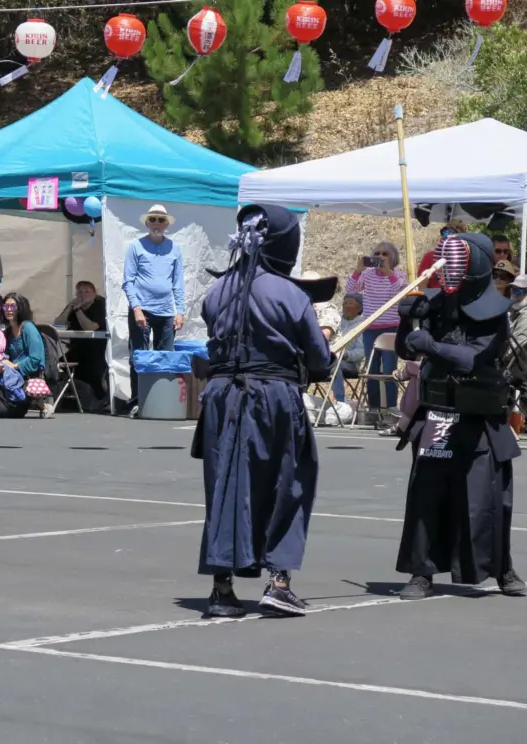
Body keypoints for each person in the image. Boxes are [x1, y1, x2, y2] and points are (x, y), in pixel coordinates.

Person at [192, 204, 337, 618]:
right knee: (286, 481)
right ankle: (279, 581)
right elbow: (318, 357)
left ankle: (222, 587)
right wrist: (319, 359)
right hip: (272, 396)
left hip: (222, 397)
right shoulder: (290, 294)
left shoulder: (216, 292)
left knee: (226, 486)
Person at [393, 233, 526, 600]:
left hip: (479, 416)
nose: (450, 270)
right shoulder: (433, 304)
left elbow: (471, 357)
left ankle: (502, 568)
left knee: (489, 499)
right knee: (426, 495)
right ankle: (422, 572)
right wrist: (408, 321)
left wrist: (432, 346)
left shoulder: (495, 314)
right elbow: (407, 345)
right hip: (438, 412)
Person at [123, 204, 185, 413]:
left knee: (165, 356)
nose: (156, 223)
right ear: (147, 222)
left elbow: (178, 283)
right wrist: (136, 308)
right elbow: (128, 281)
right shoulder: (135, 247)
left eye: (160, 220)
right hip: (143, 309)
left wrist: (180, 311)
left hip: (167, 310)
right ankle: (137, 401)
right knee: (139, 356)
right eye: (153, 219)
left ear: (167, 224)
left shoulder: (174, 248)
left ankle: (160, 402)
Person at [345, 241, 407, 416]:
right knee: (371, 369)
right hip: (370, 327)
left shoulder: (399, 275)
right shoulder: (368, 275)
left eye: (385, 254)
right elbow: (350, 290)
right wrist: (358, 271)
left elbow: (400, 293)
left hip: (391, 329)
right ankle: (373, 408)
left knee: (389, 370)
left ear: (393, 257)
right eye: (377, 253)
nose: (380, 257)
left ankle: (390, 409)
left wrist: (388, 273)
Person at [0, 292, 49, 419]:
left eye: (13, 307)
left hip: (24, 375)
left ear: (20, 308)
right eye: (6, 307)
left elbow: (36, 359)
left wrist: (15, 366)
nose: (8, 310)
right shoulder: (8, 332)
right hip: (10, 374)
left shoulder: (28, 328)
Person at [55, 280, 108, 405]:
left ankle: (99, 399)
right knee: (55, 364)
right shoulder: (75, 306)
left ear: (94, 294)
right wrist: (69, 308)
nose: (82, 295)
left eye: (86, 292)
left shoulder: (100, 305)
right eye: (79, 291)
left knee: (93, 368)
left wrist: (78, 311)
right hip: (77, 349)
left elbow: (91, 327)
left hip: (96, 350)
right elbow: (58, 324)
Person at [417, 221, 468, 290]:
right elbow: (422, 283)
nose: (447, 236)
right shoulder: (429, 256)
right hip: (435, 298)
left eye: (452, 233)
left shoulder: (466, 258)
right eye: (445, 232)